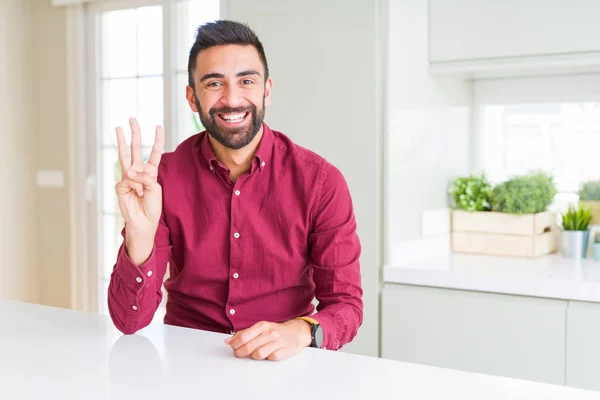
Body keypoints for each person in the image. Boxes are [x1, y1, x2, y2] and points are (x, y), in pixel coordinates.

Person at [108, 19, 363, 361]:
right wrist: (139, 235)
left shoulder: (321, 182)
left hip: (284, 363)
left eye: (246, 81)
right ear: (192, 98)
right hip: (188, 364)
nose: (231, 99)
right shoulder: (162, 179)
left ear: (266, 90)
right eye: (214, 83)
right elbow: (129, 321)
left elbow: (346, 307)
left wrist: (300, 331)